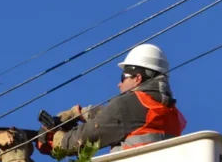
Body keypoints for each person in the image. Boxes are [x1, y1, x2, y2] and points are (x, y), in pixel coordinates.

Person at [36, 43, 187, 156]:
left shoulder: (126, 105)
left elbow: (83, 138)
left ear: (138, 78)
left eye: (123, 78)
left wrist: (55, 139)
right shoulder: (171, 112)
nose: (119, 84)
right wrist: (80, 113)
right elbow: (120, 119)